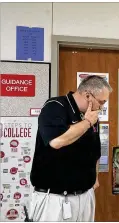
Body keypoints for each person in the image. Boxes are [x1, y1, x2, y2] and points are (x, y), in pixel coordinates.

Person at [28, 75, 112, 221]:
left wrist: (95, 178)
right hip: (55, 199)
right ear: (87, 96)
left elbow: (95, 151)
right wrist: (86, 123)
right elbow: (57, 141)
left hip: (85, 196)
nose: (102, 107)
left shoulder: (91, 117)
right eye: (101, 102)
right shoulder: (55, 106)